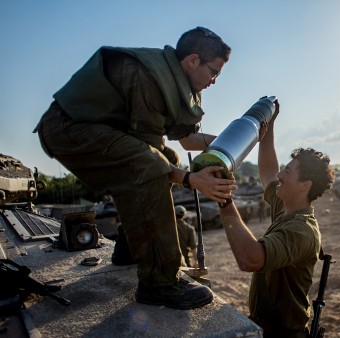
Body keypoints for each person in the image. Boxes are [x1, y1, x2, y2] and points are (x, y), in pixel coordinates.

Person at [33, 27, 238, 309]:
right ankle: (159, 283)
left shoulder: (174, 79)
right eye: (213, 72)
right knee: (152, 163)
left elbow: (186, 140)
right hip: (67, 129)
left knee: (168, 157)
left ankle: (130, 248)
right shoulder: (149, 78)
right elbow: (147, 161)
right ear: (193, 61)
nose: (214, 81)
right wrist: (191, 180)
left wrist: (231, 143)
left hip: (93, 128)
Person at [218, 101, 335, 337]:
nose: (281, 174)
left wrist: (224, 200)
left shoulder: (301, 230)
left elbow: (250, 259)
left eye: (288, 172)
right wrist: (268, 127)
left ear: (305, 185)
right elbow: (269, 173)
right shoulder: (286, 208)